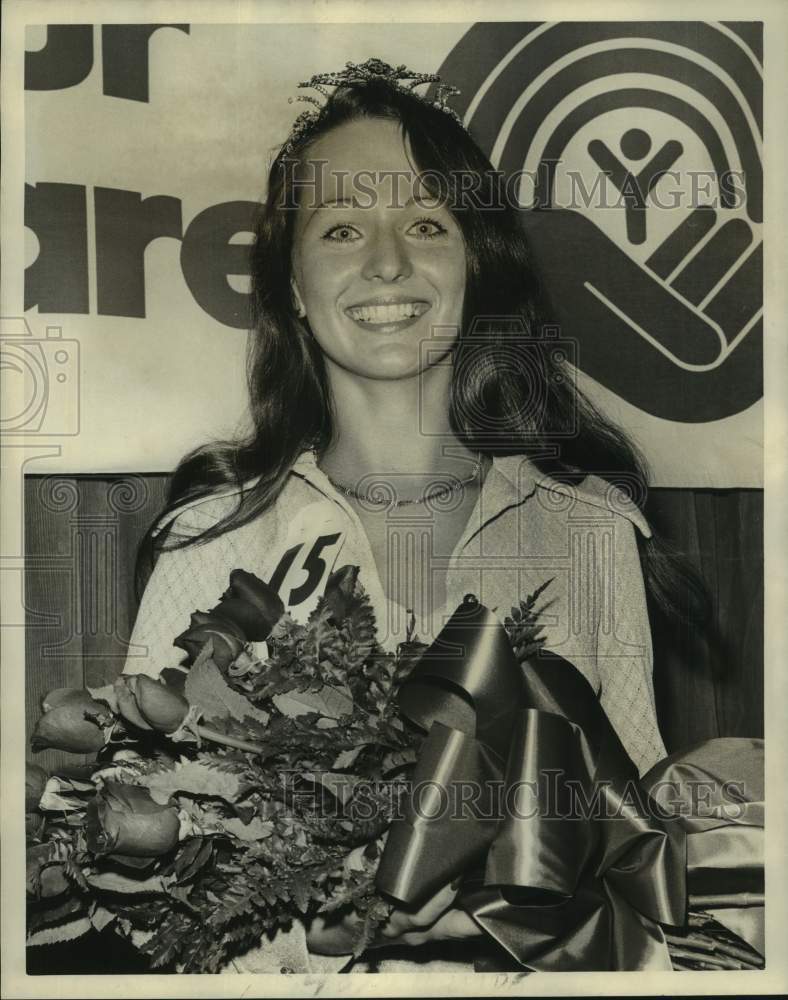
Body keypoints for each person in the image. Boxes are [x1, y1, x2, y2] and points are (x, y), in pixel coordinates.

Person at [124, 59, 706, 974]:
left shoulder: (590, 532)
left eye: (427, 223)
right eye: (343, 228)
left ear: (476, 263)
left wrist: (515, 916)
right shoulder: (207, 545)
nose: (388, 262)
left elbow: (641, 860)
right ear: (289, 287)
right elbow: (144, 864)